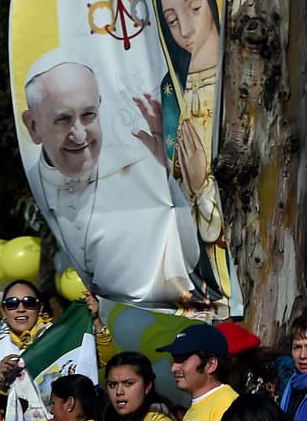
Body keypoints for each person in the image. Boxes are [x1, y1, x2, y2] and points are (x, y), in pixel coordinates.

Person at [21, 50, 201, 310]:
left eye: (88, 115)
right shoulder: (32, 180)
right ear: (33, 125)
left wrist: (170, 173)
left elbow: (190, 257)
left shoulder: (142, 169)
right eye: (63, 119)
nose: (80, 135)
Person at [139, 0, 237, 314]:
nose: (183, 28)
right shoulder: (171, 89)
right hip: (197, 251)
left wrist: (204, 185)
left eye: (195, 8)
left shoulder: (241, 77)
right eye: (171, 18)